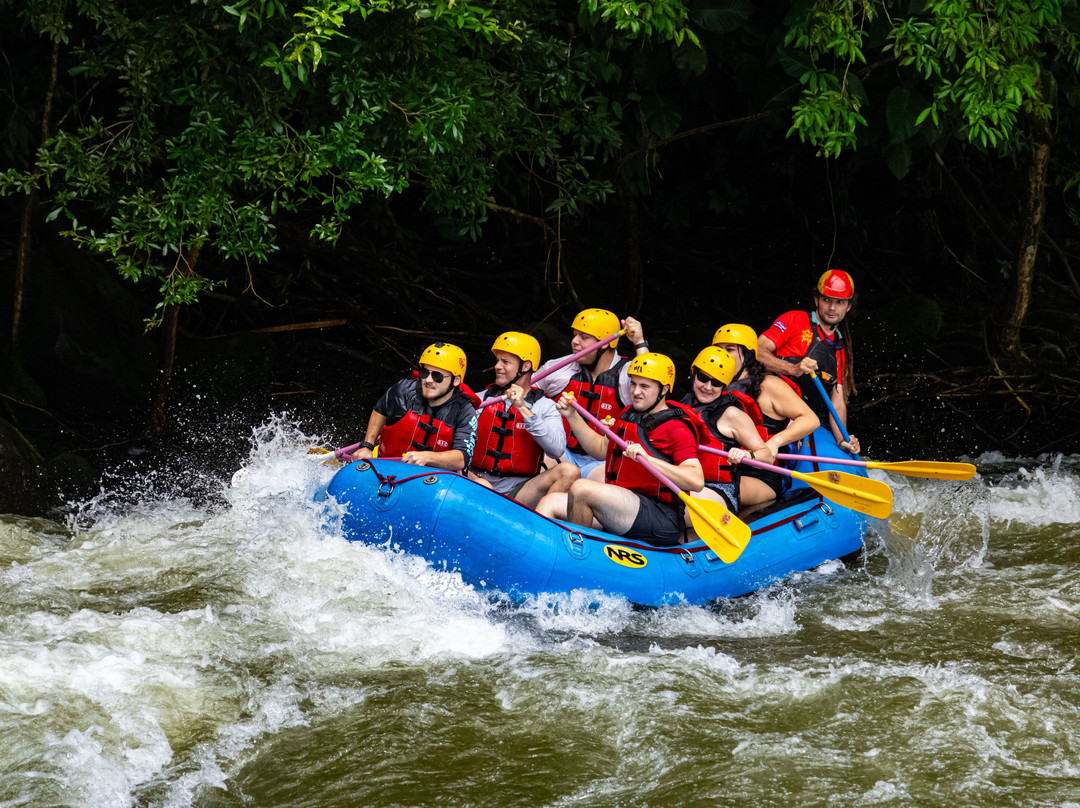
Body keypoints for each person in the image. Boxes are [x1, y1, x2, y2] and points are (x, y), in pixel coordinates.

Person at [551, 352, 705, 547]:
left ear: (664, 389)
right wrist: (572, 416)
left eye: (645, 386)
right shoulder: (628, 414)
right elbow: (600, 449)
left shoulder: (677, 427)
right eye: (633, 384)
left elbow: (696, 480)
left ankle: (576, 553)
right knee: (553, 501)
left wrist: (648, 459)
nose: (636, 392)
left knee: (581, 489)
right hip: (625, 506)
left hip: (659, 516)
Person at [530, 309, 651, 513]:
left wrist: (639, 342)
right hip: (562, 452)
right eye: (574, 335)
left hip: (601, 461)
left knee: (612, 477)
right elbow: (523, 390)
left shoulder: (627, 374)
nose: (575, 342)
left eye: (584, 337)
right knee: (534, 457)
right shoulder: (560, 368)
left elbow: (650, 378)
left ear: (604, 343)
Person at [712, 323, 820, 506]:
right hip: (725, 468)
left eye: (729, 349)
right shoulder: (712, 386)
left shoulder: (768, 385)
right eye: (718, 350)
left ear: (746, 355)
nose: (722, 355)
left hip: (763, 473)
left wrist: (774, 443)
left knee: (713, 491)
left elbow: (810, 419)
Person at [757, 269, 861, 454]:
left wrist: (842, 439)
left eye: (839, 302)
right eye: (826, 300)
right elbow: (758, 351)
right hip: (772, 407)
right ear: (816, 300)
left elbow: (837, 402)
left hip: (802, 419)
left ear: (848, 307)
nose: (832, 307)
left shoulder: (840, 349)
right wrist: (793, 368)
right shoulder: (795, 320)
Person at [468, 332, 566, 505]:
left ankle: (540, 525)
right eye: (498, 361)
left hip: (520, 490)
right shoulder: (481, 399)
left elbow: (557, 450)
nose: (497, 366)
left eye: (505, 362)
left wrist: (523, 408)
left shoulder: (545, 405)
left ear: (526, 366)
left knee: (568, 471)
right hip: (476, 480)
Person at [350, 342, 477, 470]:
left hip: (432, 480)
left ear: (455, 380)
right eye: (425, 373)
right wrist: (367, 445)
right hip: (387, 468)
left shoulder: (465, 411)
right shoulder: (404, 391)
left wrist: (427, 457)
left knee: (481, 483)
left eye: (437, 376)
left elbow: (462, 457)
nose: (428, 380)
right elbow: (381, 410)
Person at [680, 346, 769, 513]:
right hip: (683, 480)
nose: (707, 387)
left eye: (716, 383)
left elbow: (767, 455)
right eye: (703, 378)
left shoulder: (732, 414)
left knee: (670, 504)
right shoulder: (683, 406)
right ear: (694, 375)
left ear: (724, 386)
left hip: (717, 489)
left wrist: (746, 454)